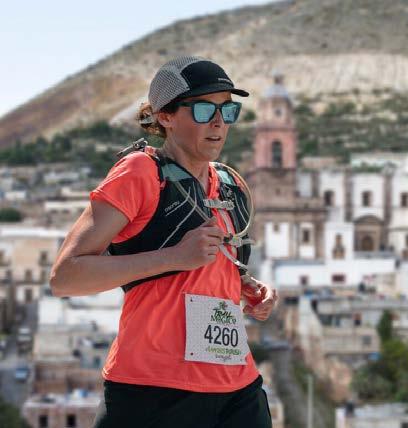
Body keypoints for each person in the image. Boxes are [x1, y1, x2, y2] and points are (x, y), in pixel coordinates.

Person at [50, 56, 278, 428]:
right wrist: (175, 257)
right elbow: (65, 277)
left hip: (238, 390)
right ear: (165, 116)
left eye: (227, 110)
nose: (219, 122)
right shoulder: (139, 173)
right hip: (152, 391)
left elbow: (205, 272)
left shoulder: (230, 184)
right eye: (204, 109)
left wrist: (248, 288)